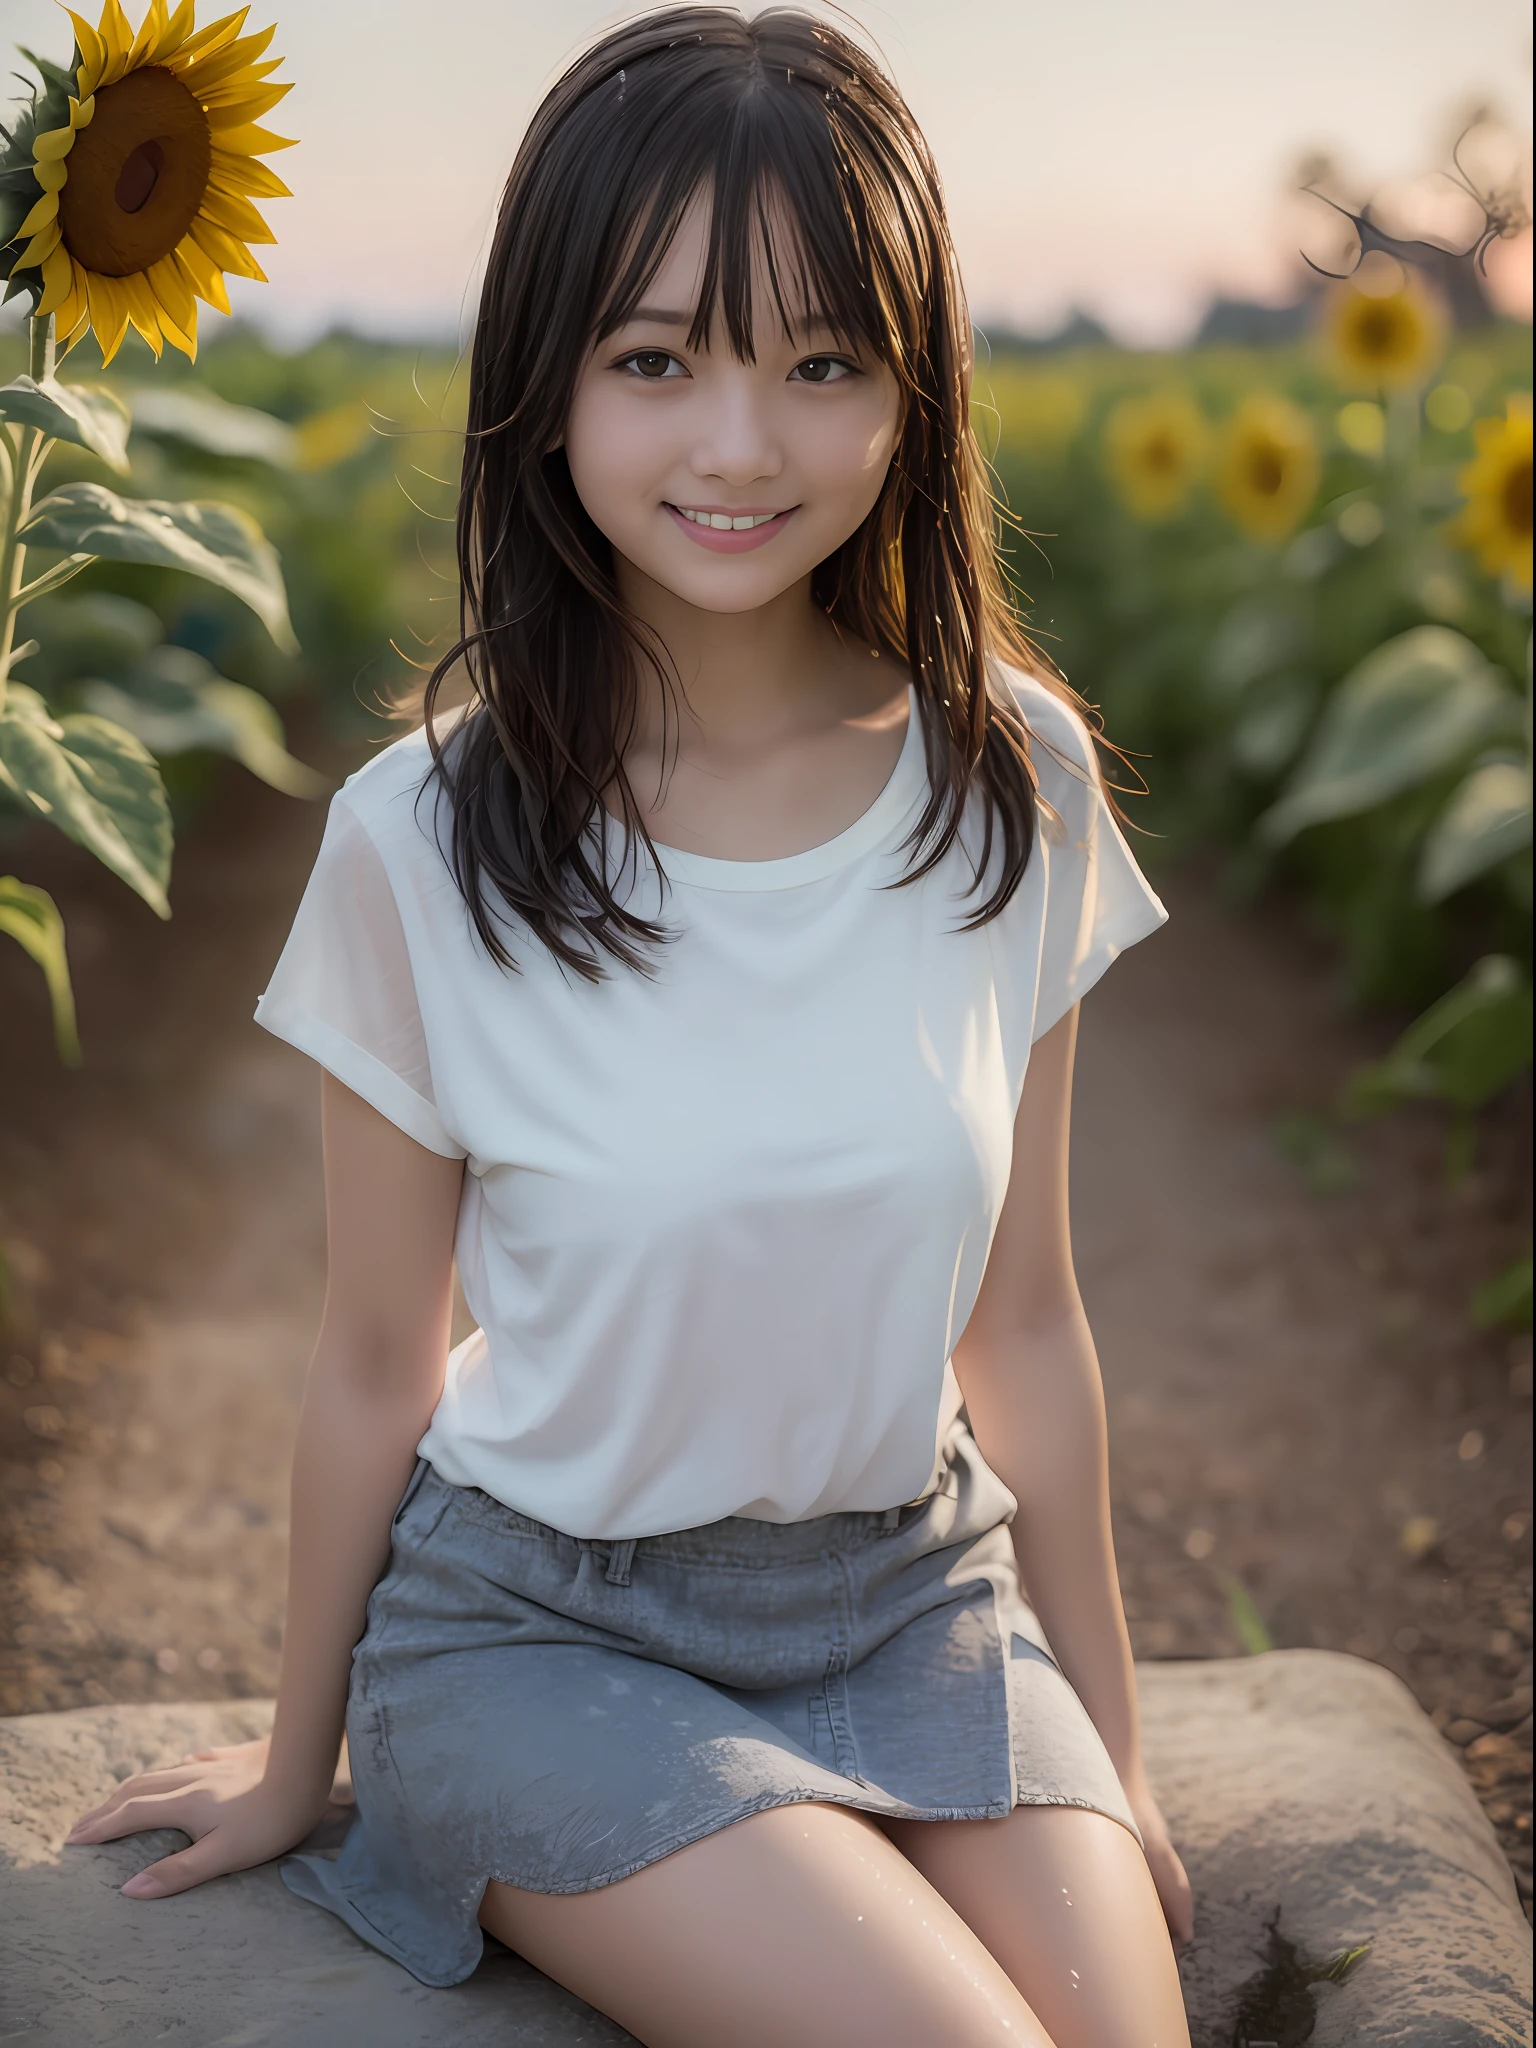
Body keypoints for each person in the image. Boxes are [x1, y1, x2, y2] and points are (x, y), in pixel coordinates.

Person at [67, 11, 1194, 2043]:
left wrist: (1115, 1754)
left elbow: (1025, 1320)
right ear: (548, 386)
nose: (741, 444)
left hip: (916, 1597)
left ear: (913, 392)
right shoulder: (423, 838)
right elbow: (368, 1358)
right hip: (540, 1633)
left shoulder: (1010, 779)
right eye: (657, 358)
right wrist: (297, 1756)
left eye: (822, 361)